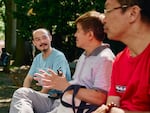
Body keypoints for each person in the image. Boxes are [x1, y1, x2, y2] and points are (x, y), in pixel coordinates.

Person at [9, 11, 115, 113]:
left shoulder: (104, 58)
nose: (75, 35)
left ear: (90, 35)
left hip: (69, 107)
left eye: (78, 30)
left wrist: (65, 86)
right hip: (61, 103)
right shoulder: (84, 55)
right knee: (21, 92)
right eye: (37, 39)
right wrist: (65, 86)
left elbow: (100, 98)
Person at [93, 0, 150, 113]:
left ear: (132, 13)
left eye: (108, 10)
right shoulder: (119, 60)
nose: (103, 19)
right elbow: (112, 104)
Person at [9, 28, 71, 113]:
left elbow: (55, 81)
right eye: (38, 40)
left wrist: (39, 94)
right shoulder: (37, 58)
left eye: (44, 38)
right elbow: (28, 79)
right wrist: (26, 95)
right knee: (21, 93)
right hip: (47, 98)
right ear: (34, 43)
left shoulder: (58, 56)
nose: (42, 42)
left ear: (50, 38)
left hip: (59, 99)